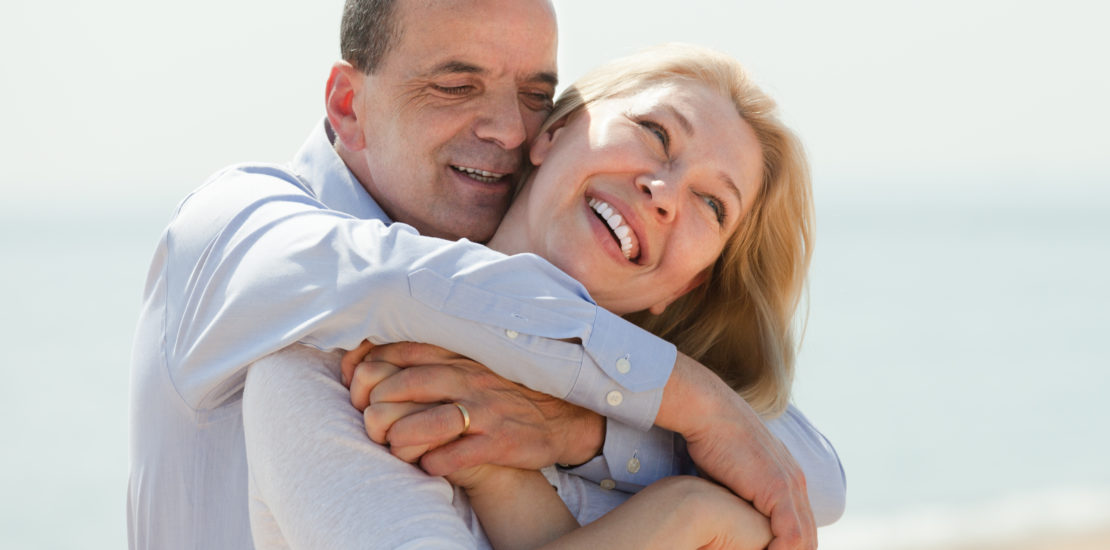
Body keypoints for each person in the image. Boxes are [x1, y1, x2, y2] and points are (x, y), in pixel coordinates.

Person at [127, 1, 841, 548]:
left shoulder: (578, 385)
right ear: (349, 104)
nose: (508, 129)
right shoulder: (276, 284)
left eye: (535, 95)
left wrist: (588, 434)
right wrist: (690, 459)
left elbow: (811, 478)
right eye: (456, 85)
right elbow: (387, 285)